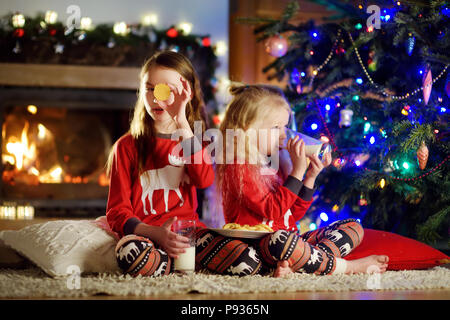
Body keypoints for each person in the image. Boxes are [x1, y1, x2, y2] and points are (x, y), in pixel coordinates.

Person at [196, 83, 388, 277]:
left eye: (285, 126)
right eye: (276, 127)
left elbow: (292, 214)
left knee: (353, 227)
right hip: (261, 244)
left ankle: (302, 261)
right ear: (249, 130)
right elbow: (272, 210)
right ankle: (343, 267)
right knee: (281, 241)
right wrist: (297, 171)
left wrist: (310, 176)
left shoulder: (276, 163)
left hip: (290, 242)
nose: (284, 134)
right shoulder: (238, 166)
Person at [106, 51, 214, 277]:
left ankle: (171, 264)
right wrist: (155, 234)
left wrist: (181, 120)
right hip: (146, 237)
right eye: (150, 88)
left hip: (188, 237)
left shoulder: (193, 141)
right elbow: (117, 211)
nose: (157, 98)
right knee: (131, 254)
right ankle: (168, 263)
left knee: (242, 256)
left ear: (187, 94)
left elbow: (204, 180)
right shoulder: (126, 147)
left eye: (168, 90)